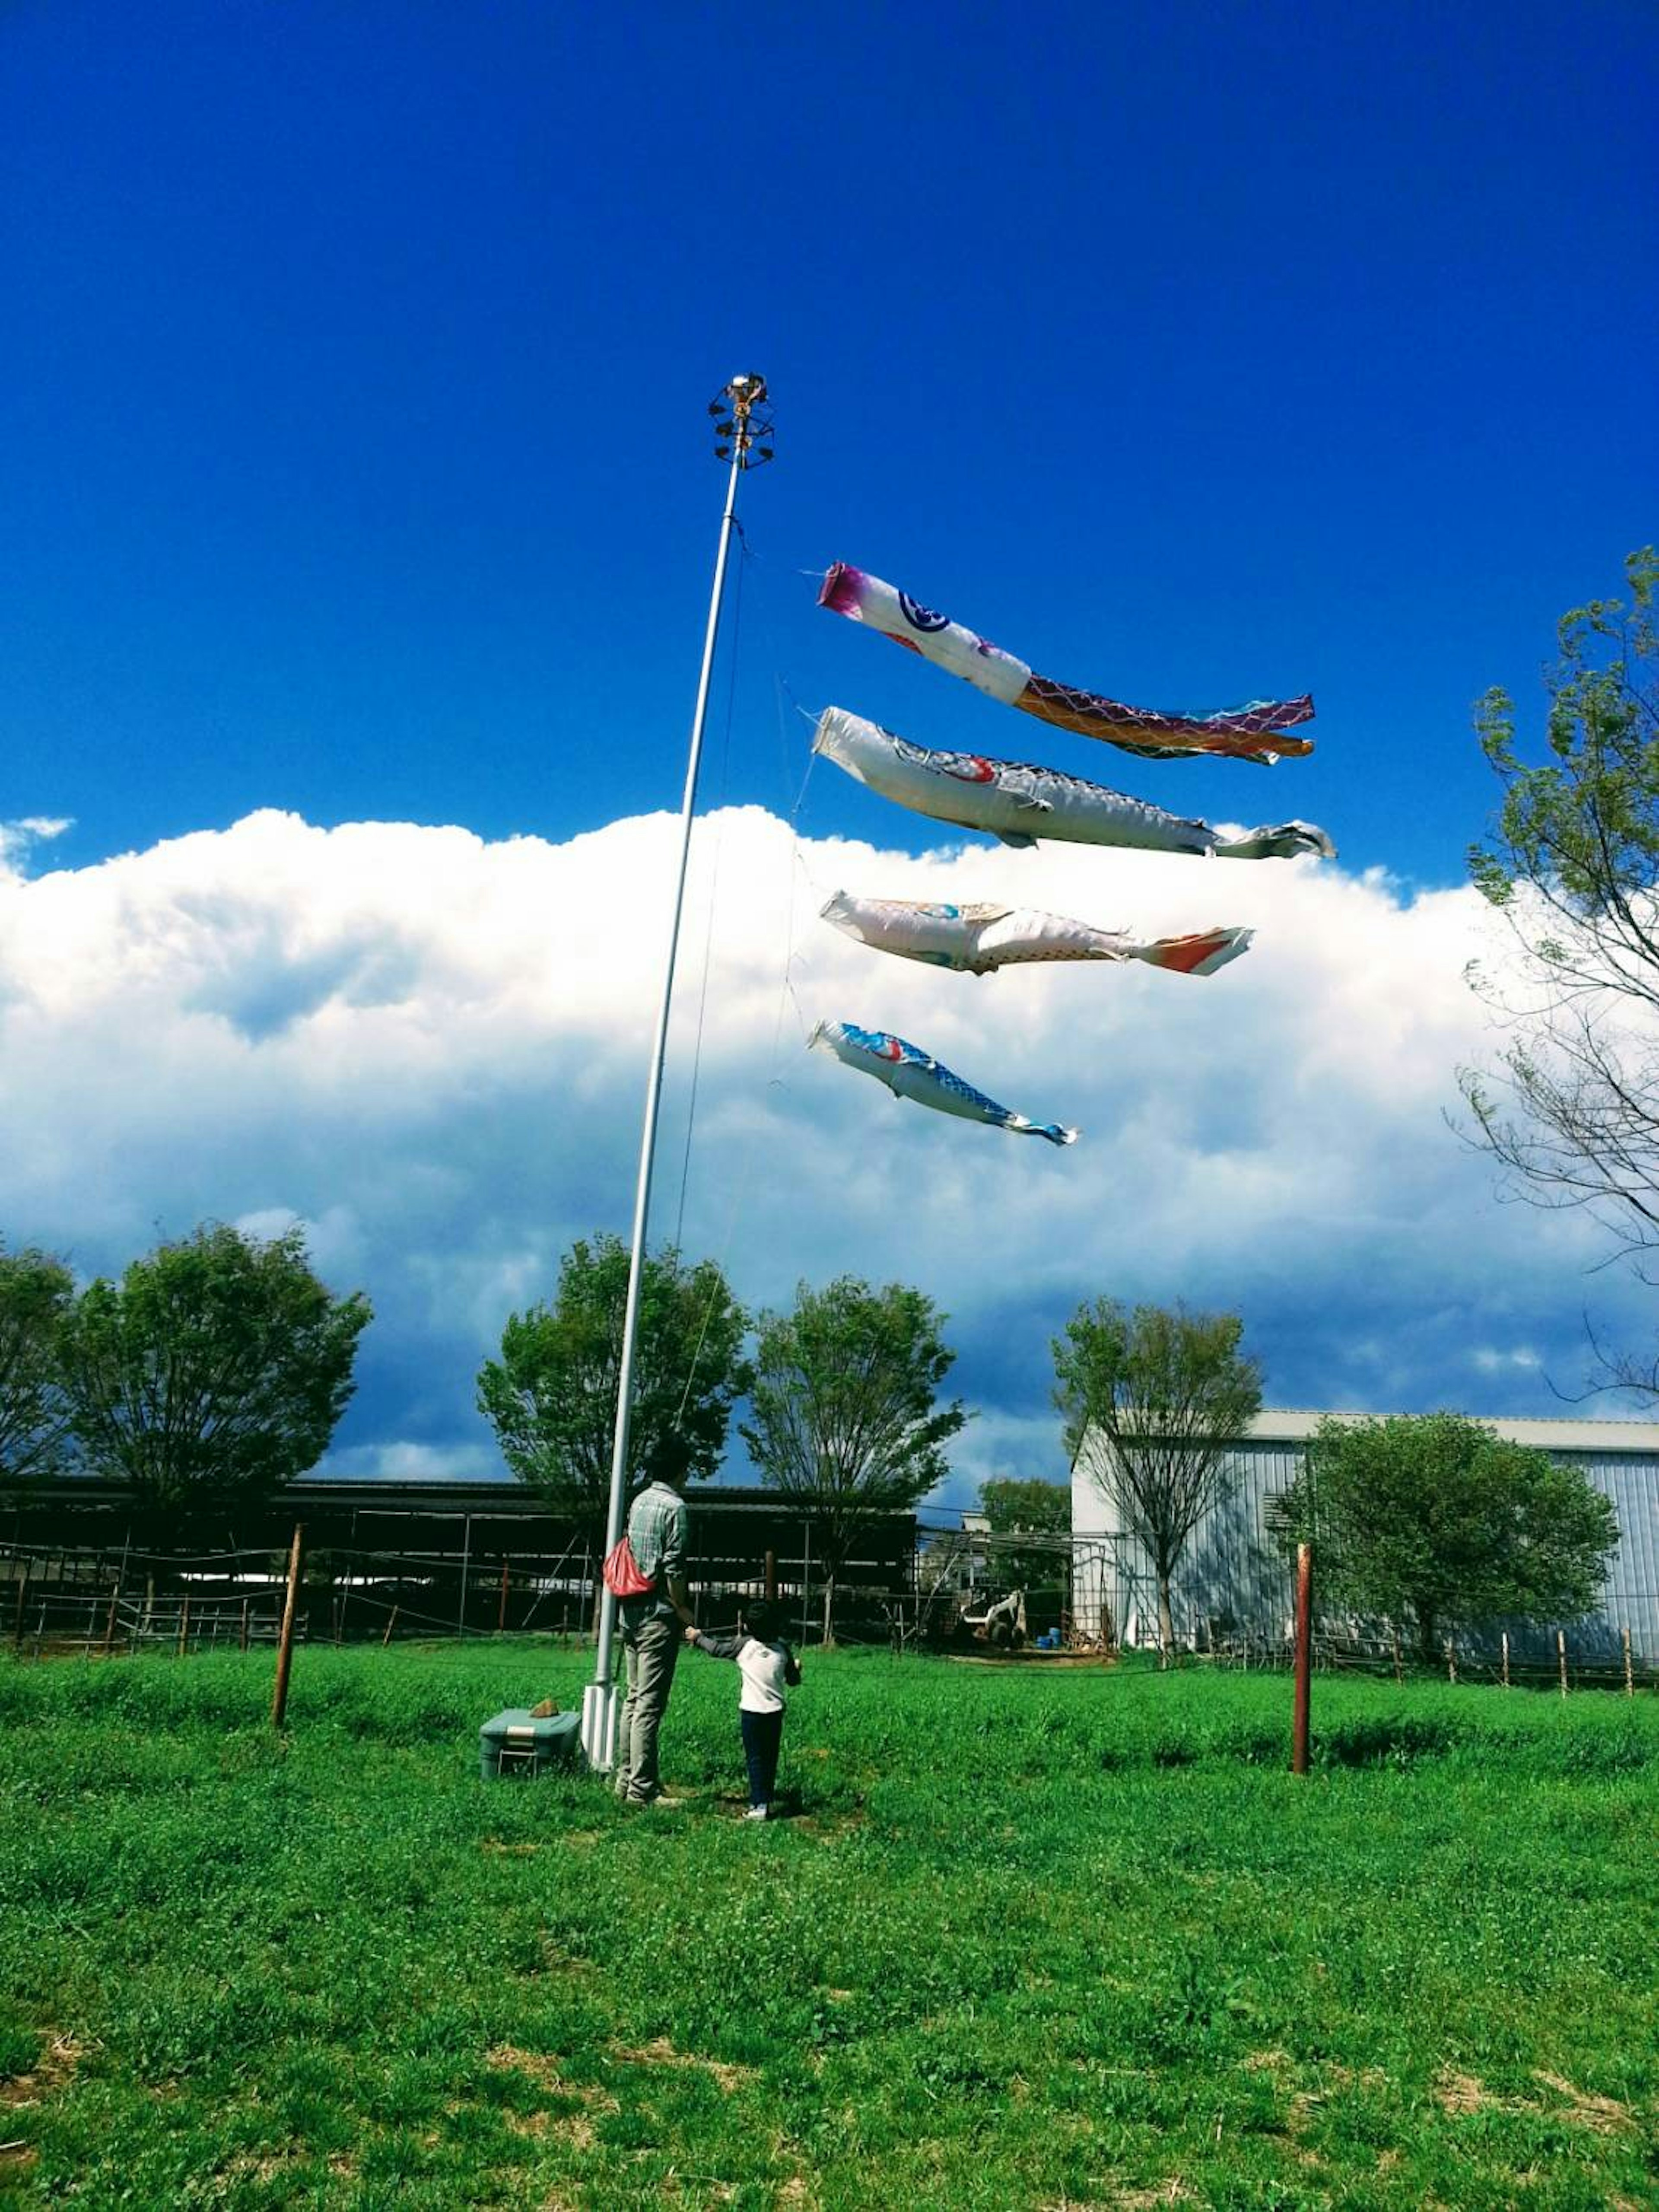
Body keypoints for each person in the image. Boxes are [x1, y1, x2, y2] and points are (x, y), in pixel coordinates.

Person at [614, 1465, 696, 1806]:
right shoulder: (675, 1507)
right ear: (678, 1469)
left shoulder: (638, 1501)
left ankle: (626, 1779)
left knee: (634, 1698)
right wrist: (682, 1608)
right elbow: (674, 1566)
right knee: (649, 1703)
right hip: (658, 1614)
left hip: (629, 1610)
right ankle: (642, 1790)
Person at [684, 1598, 802, 1821]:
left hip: (751, 1713)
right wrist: (797, 1667)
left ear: (748, 1626)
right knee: (770, 1758)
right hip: (775, 1713)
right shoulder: (783, 1649)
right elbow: (794, 1681)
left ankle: (759, 1806)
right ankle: (765, 1799)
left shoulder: (744, 1646)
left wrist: (698, 1637)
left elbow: (717, 1649)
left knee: (755, 1758)